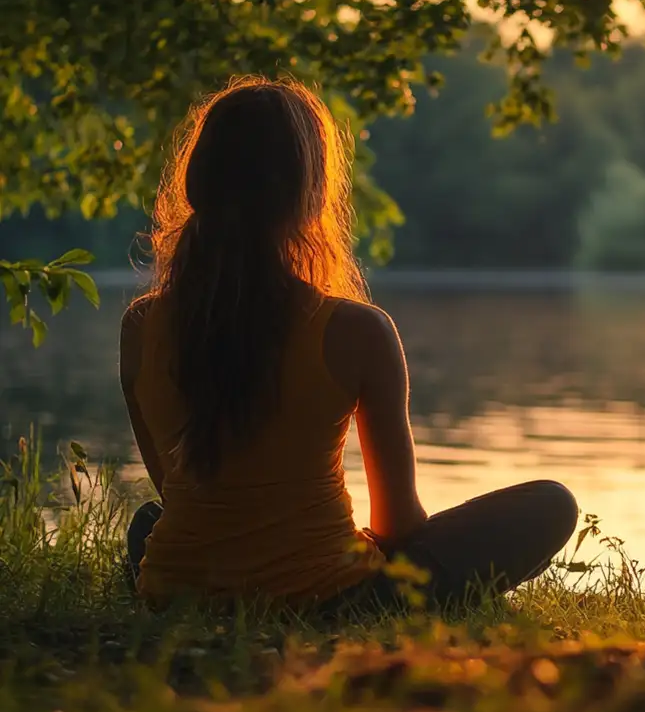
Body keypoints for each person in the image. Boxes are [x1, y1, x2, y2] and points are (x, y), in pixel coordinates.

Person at [120, 76, 578, 615]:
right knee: (551, 505)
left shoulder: (140, 326)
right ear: (309, 197)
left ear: (199, 183)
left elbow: (179, 492)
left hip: (173, 594)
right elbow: (399, 526)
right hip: (328, 601)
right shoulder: (358, 331)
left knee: (150, 521)